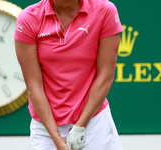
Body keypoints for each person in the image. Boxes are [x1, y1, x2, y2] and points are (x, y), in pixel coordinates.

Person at [14, 0, 124, 149]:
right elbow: (34, 86)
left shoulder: (105, 10)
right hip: (46, 129)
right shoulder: (28, 18)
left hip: (94, 122)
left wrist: (81, 126)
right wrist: (57, 140)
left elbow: (105, 76)